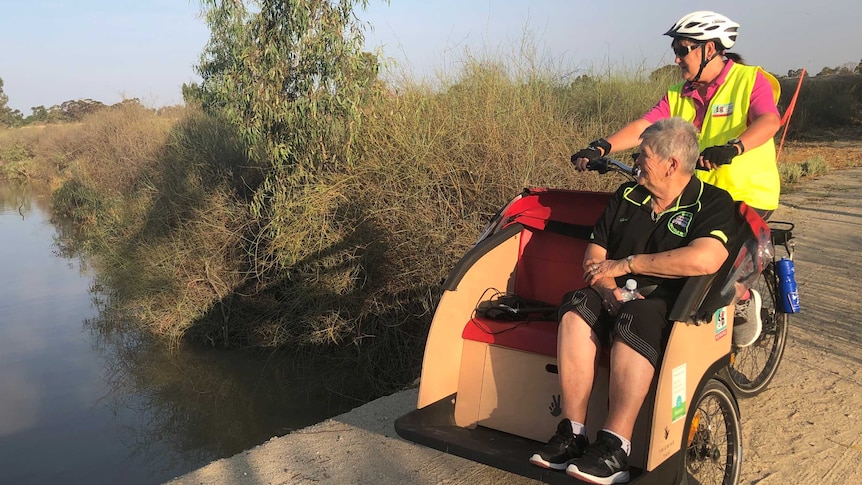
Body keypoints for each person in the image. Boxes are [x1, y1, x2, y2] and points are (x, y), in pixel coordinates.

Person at [529, 117, 739, 484]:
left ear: (672, 164)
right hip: (610, 291)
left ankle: (615, 447)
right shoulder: (628, 196)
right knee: (577, 304)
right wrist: (611, 290)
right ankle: (573, 432)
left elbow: (706, 258)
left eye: (643, 156)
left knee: (635, 315)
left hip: (668, 306)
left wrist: (629, 264)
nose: (636, 162)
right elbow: (594, 257)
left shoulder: (712, 202)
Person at [571, 11, 780, 348]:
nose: (677, 58)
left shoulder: (748, 80)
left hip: (744, 194)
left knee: (712, 273)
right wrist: (603, 145)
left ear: (709, 49)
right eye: (676, 50)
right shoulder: (677, 93)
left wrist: (735, 147)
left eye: (684, 50)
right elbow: (645, 127)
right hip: (694, 194)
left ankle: (741, 297)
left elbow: (769, 121)